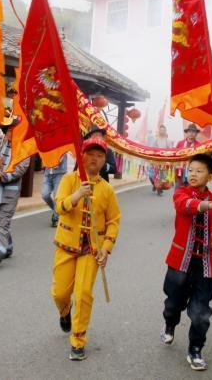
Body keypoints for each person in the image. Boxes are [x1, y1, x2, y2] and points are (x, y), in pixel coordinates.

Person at [51, 137, 120, 361]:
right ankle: (64, 311)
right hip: (66, 246)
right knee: (60, 293)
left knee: (83, 294)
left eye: (100, 156)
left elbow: (114, 220)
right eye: (91, 154)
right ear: (82, 156)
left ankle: (78, 340)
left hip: (92, 249)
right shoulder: (69, 180)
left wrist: (106, 248)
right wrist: (78, 194)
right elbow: (59, 207)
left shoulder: (107, 190)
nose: (95, 159)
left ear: (103, 161)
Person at [161, 153, 212, 371]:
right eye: (191, 170)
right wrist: (208, 204)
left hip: (205, 265)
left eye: (199, 171)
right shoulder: (182, 192)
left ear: (210, 175)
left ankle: (195, 349)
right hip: (180, 263)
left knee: (201, 312)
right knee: (173, 304)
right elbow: (184, 206)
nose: (193, 174)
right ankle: (170, 323)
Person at [0, 118, 31, 269]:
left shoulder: (24, 150)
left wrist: (2, 176)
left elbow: (20, 170)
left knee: (4, 222)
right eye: (11, 130)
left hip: (9, 194)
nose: (13, 133)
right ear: (6, 131)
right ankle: (8, 245)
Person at [43, 153, 69, 227]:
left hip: (59, 173)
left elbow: (62, 156)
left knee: (56, 197)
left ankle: (56, 218)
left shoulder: (63, 144)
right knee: (45, 195)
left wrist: (55, 161)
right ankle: (57, 211)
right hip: (47, 173)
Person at [174, 124, 201, 191]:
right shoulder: (180, 143)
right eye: (190, 131)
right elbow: (174, 156)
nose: (191, 133)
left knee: (191, 192)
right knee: (178, 193)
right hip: (180, 172)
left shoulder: (199, 145)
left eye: (193, 132)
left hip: (192, 173)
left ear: (196, 134)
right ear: (187, 133)